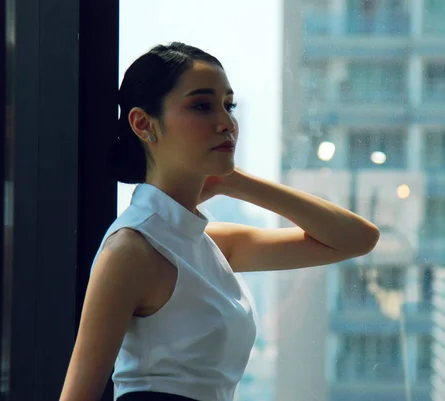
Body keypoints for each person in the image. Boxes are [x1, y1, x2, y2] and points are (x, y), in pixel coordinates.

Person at [60, 42, 380, 401]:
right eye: (201, 106)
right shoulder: (130, 250)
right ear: (143, 124)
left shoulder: (209, 243)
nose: (226, 123)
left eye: (229, 106)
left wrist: (237, 182)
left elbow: (357, 239)